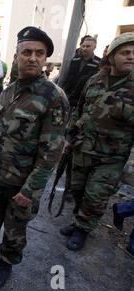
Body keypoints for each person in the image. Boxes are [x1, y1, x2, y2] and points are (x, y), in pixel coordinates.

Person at [0, 27, 69, 289]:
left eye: (40, 53)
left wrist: (30, 190)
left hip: (22, 184)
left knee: (14, 229)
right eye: (27, 52)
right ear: (17, 55)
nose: (33, 58)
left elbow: (51, 153)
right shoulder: (9, 91)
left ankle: (6, 264)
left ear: (45, 59)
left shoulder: (53, 97)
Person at [61, 32, 134, 251]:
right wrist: (69, 136)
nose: (131, 57)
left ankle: (82, 230)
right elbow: (79, 110)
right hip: (82, 149)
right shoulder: (94, 80)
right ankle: (76, 222)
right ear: (112, 56)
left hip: (111, 158)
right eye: (125, 52)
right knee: (77, 190)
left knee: (95, 196)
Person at [61, 37, 101, 108]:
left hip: (82, 100)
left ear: (94, 47)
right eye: (83, 46)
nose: (84, 48)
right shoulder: (75, 60)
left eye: (88, 46)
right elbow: (68, 77)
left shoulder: (98, 63)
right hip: (68, 95)